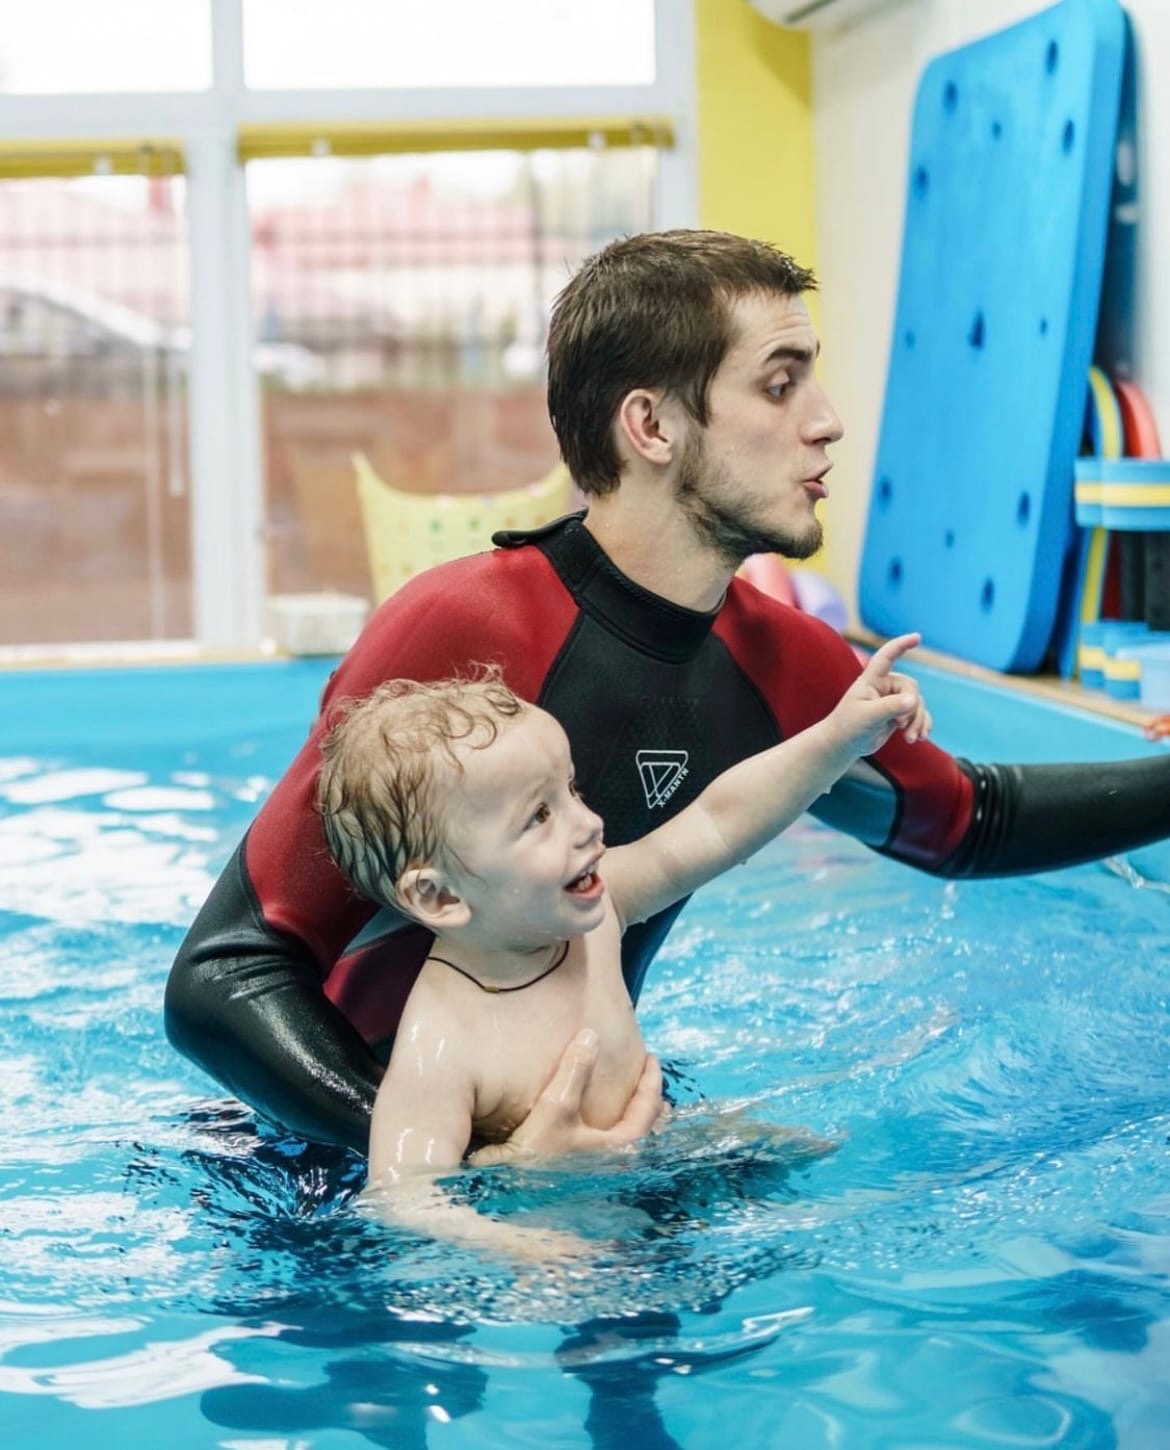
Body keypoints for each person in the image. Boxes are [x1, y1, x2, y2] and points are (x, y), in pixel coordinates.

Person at [165, 228, 1170, 1155]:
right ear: (650, 424)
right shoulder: (464, 631)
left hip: (592, 1134)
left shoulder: (795, 665)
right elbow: (226, 976)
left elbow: (970, 822)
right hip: (336, 1166)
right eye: (780, 386)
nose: (826, 424)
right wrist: (475, 1162)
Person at [317, 642, 928, 1253]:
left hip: (660, 1147)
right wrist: (527, 1249)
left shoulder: (601, 912)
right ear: (439, 897)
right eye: (538, 817)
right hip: (559, 1214)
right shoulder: (445, 1040)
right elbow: (400, 1196)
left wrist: (838, 740)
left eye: (571, 791)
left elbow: (717, 823)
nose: (587, 823)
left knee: (828, 1162)